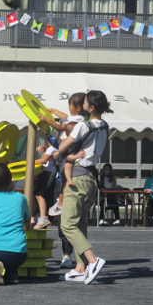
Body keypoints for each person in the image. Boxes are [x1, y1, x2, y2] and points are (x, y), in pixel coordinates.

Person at [58, 90, 112, 284]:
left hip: (78, 178)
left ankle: (93, 260)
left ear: (90, 107)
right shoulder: (105, 126)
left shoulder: (83, 125)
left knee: (67, 224)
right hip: (91, 179)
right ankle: (80, 268)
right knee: (80, 223)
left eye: (85, 103)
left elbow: (63, 147)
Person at [45, 93, 86, 215]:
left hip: (69, 151)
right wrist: (54, 111)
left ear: (77, 108)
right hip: (71, 151)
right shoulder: (80, 119)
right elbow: (66, 117)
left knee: (64, 178)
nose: (68, 107)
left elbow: (59, 127)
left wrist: (47, 119)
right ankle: (60, 203)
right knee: (64, 177)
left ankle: (61, 204)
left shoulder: (75, 122)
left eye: (70, 105)